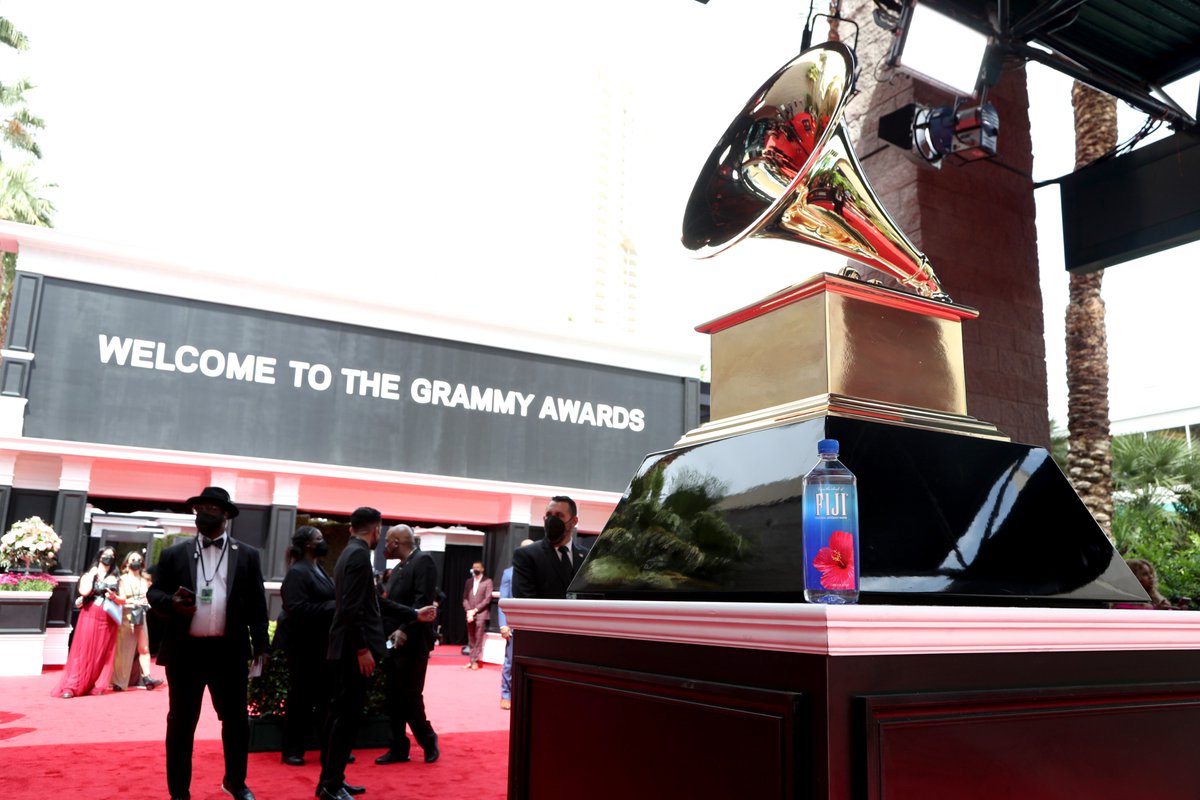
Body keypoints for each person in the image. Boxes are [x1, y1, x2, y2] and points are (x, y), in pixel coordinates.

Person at [147, 486, 270, 800]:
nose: (204, 513)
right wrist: (171, 602)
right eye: (200, 508)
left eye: (212, 509)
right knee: (180, 725)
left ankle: (235, 782)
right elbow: (154, 594)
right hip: (186, 654)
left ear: (226, 514)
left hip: (228, 653)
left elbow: (257, 605)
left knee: (236, 723)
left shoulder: (248, 556)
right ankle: (179, 792)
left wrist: (261, 649)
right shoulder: (175, 552)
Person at [318, 509, 435, 800]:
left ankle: (331, 781)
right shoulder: (358, 556)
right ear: (377, 530)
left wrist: (413, 615)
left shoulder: (350, 552)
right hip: (352, 649)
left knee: (341, 716)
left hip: (346, 647)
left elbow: (372, 603)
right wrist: (361, 648)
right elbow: (351, 609)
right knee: (345, 719)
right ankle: (331, 785)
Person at [376, 524, 441, 765]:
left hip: (413, 641)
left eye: (388, 542)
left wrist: (403, 629)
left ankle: (427, 738)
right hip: (393, 641)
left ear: (396, 542)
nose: (385, 546)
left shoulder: (423, 561)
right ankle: (398, 748)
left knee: (410, 695)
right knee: (393, 696)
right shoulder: (400, 567)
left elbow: (422, 603)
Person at [277, 526, 336, 767]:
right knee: (300, 698)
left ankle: (328, 749)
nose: (324, 542)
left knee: (324, 698)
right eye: (319, 539)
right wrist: (333, 606)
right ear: (309, 544)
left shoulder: (317, 567)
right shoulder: (298, 572)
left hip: (320, 644)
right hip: (302, 645)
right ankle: (292, 749)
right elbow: (296, 608)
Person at [55, 545, 124, 698]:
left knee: (99, 654)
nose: (108, 558)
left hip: (108, 619)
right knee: (83, 650)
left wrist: (114, 597)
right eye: (105, 555)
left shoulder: (117, 578)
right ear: (99, 556)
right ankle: (72, 685)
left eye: (111, 555)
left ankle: (89, 683)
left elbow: (123, 599)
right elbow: (84, 591)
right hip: (89, 615)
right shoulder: (89, 575)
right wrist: (92, 576)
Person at [512, 495, 587, 600]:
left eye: (559, 515)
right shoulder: (527, 555)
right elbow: (525, 601)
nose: (552, 520)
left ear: (573, 521)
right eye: (549, 515)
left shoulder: (587, 558)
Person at [112, 549, 162, 691]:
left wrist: (145, 602)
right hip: (127, 614)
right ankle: (119, 681)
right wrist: (132, 601)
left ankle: (147, 677)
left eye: (139, 560)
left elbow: (150, 597)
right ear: (127, 563)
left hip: (141, 614)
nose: (136, 563)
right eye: (133, 560)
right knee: (124, 649)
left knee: (144, 648)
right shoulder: (121, 580)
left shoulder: (145, 580)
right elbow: (121, 599)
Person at [498, 538, 533, 710]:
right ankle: (506, 694)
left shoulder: (538, 573)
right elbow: (503, 600)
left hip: (532, 627)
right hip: (513, 626)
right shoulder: (508, 573)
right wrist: (503, 625)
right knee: (510, 662)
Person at [461, 560, 493, 670]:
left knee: (478, 638)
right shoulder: (468, 582)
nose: (475, 569)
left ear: (482, 569)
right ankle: (471, 660)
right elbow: (465, 598)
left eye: (478, 567)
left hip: (481, 614)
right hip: (470, 614)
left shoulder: (488, 581)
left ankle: (475, 661)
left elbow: (487, 599)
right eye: (474, 567)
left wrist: (475, 610)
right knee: (471, 638)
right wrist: (469, 610)